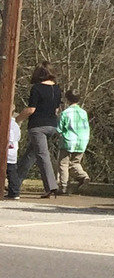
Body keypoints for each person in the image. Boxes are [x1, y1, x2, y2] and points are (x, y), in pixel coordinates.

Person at [24, 65, 61, 198]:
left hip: (38, 126)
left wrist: (17, 119)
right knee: (29, 156)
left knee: (42, 156)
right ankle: (14, 182)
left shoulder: (37, 88)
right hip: (52, 125)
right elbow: (56, 110)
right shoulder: (57, 88)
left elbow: (31, 109)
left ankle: (51, 186)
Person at [55, 91, 90, 194]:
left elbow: (59, 129)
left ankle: (63, 186)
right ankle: (84, 177)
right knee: (75, 162)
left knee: (63, 163)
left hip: (68, 141)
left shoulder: (65, 113)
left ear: (67, 99)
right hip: (82, 141)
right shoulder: (84, 113)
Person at [5, 106, 19, 199]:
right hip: (13, 153)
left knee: (10, 172)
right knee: (12, 172)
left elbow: (10, 137)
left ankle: (14, 191)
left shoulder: (9, 124)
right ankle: (14, 191)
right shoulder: (16, 125)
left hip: (8, 152)